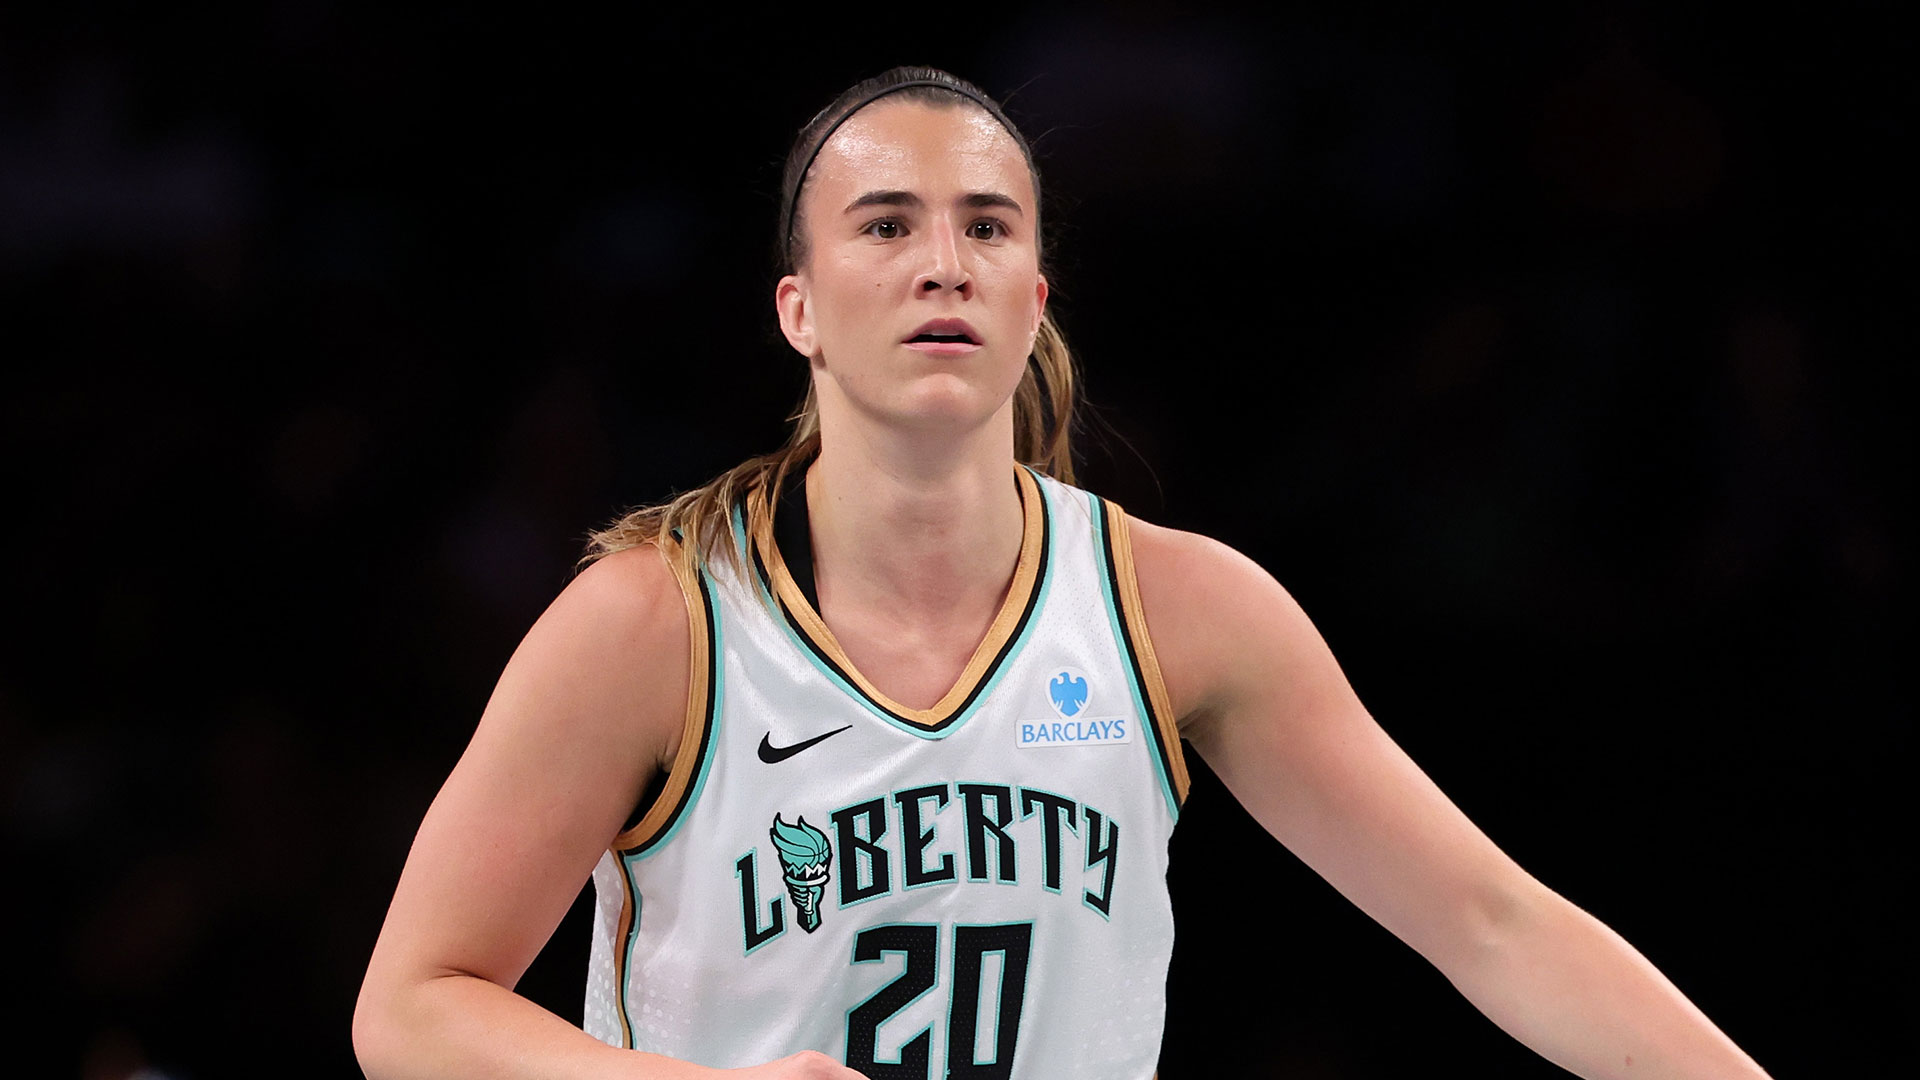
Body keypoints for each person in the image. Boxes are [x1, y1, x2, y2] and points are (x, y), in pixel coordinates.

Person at [353, 67, 1773, 1080]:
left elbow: (1493, 923)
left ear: (1035, 302)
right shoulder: (653, 622)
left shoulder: (1180, 611)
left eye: (987, 226)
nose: (944, 264)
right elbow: (411, 1008)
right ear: (799, 309)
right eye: (886, 225)